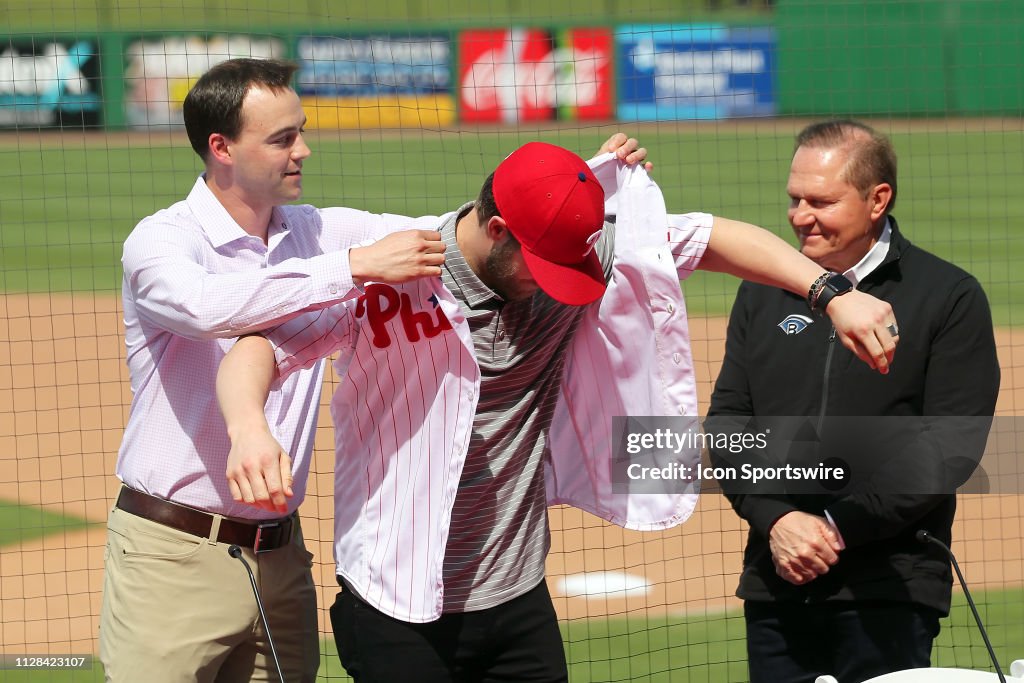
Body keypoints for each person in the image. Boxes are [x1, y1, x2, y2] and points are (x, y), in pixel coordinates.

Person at [217, 137, 900, 682]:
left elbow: (714, 237)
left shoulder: (573, 248)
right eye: (542, 266)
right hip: (397, 600)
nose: (558, 286)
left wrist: (831, 293)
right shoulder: (396, 275)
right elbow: (259, 346)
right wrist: (249, 427)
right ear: (497, 228)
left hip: (516, 596)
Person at [98, 57, 449, 683]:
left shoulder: (319, 231)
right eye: (283, 138)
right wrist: (352, 267)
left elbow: (452, 233)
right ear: (221, 148)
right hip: (171, 558)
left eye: (301, 131)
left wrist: (587, 187)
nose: (304, 151)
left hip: (281, 562)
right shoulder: (160, 243)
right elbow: (208, 307)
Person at [707, 120, 1000, 683]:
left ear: (877, 199)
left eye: (820, 201)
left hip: (889, 587)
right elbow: (728, 422)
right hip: (778, 576)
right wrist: (778, 520)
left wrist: (835, 528)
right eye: (794, 199)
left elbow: (950, 446)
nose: (799, 216)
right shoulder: (761, 289)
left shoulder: (948, 296)